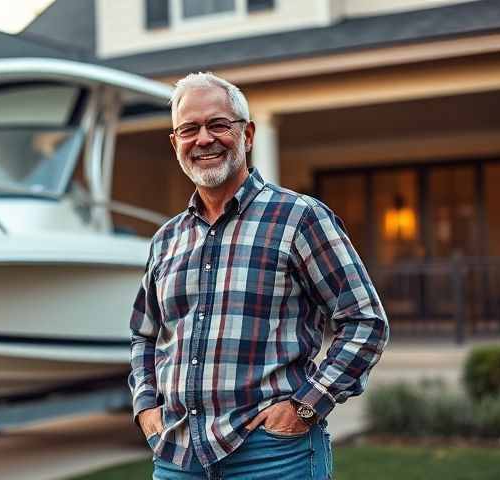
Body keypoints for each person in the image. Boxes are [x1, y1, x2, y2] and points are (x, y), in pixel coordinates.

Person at [128, 72, 389, 480]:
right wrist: (146, 406)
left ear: (247, 134)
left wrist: (306, 407)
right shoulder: (166, 239)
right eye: (189, 129)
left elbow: (365, 322)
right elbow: (145, 334)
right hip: (178, 458)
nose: (204, 139)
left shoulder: (300, 218)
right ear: (175, 142)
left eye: (218, 125)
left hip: (272, 456)